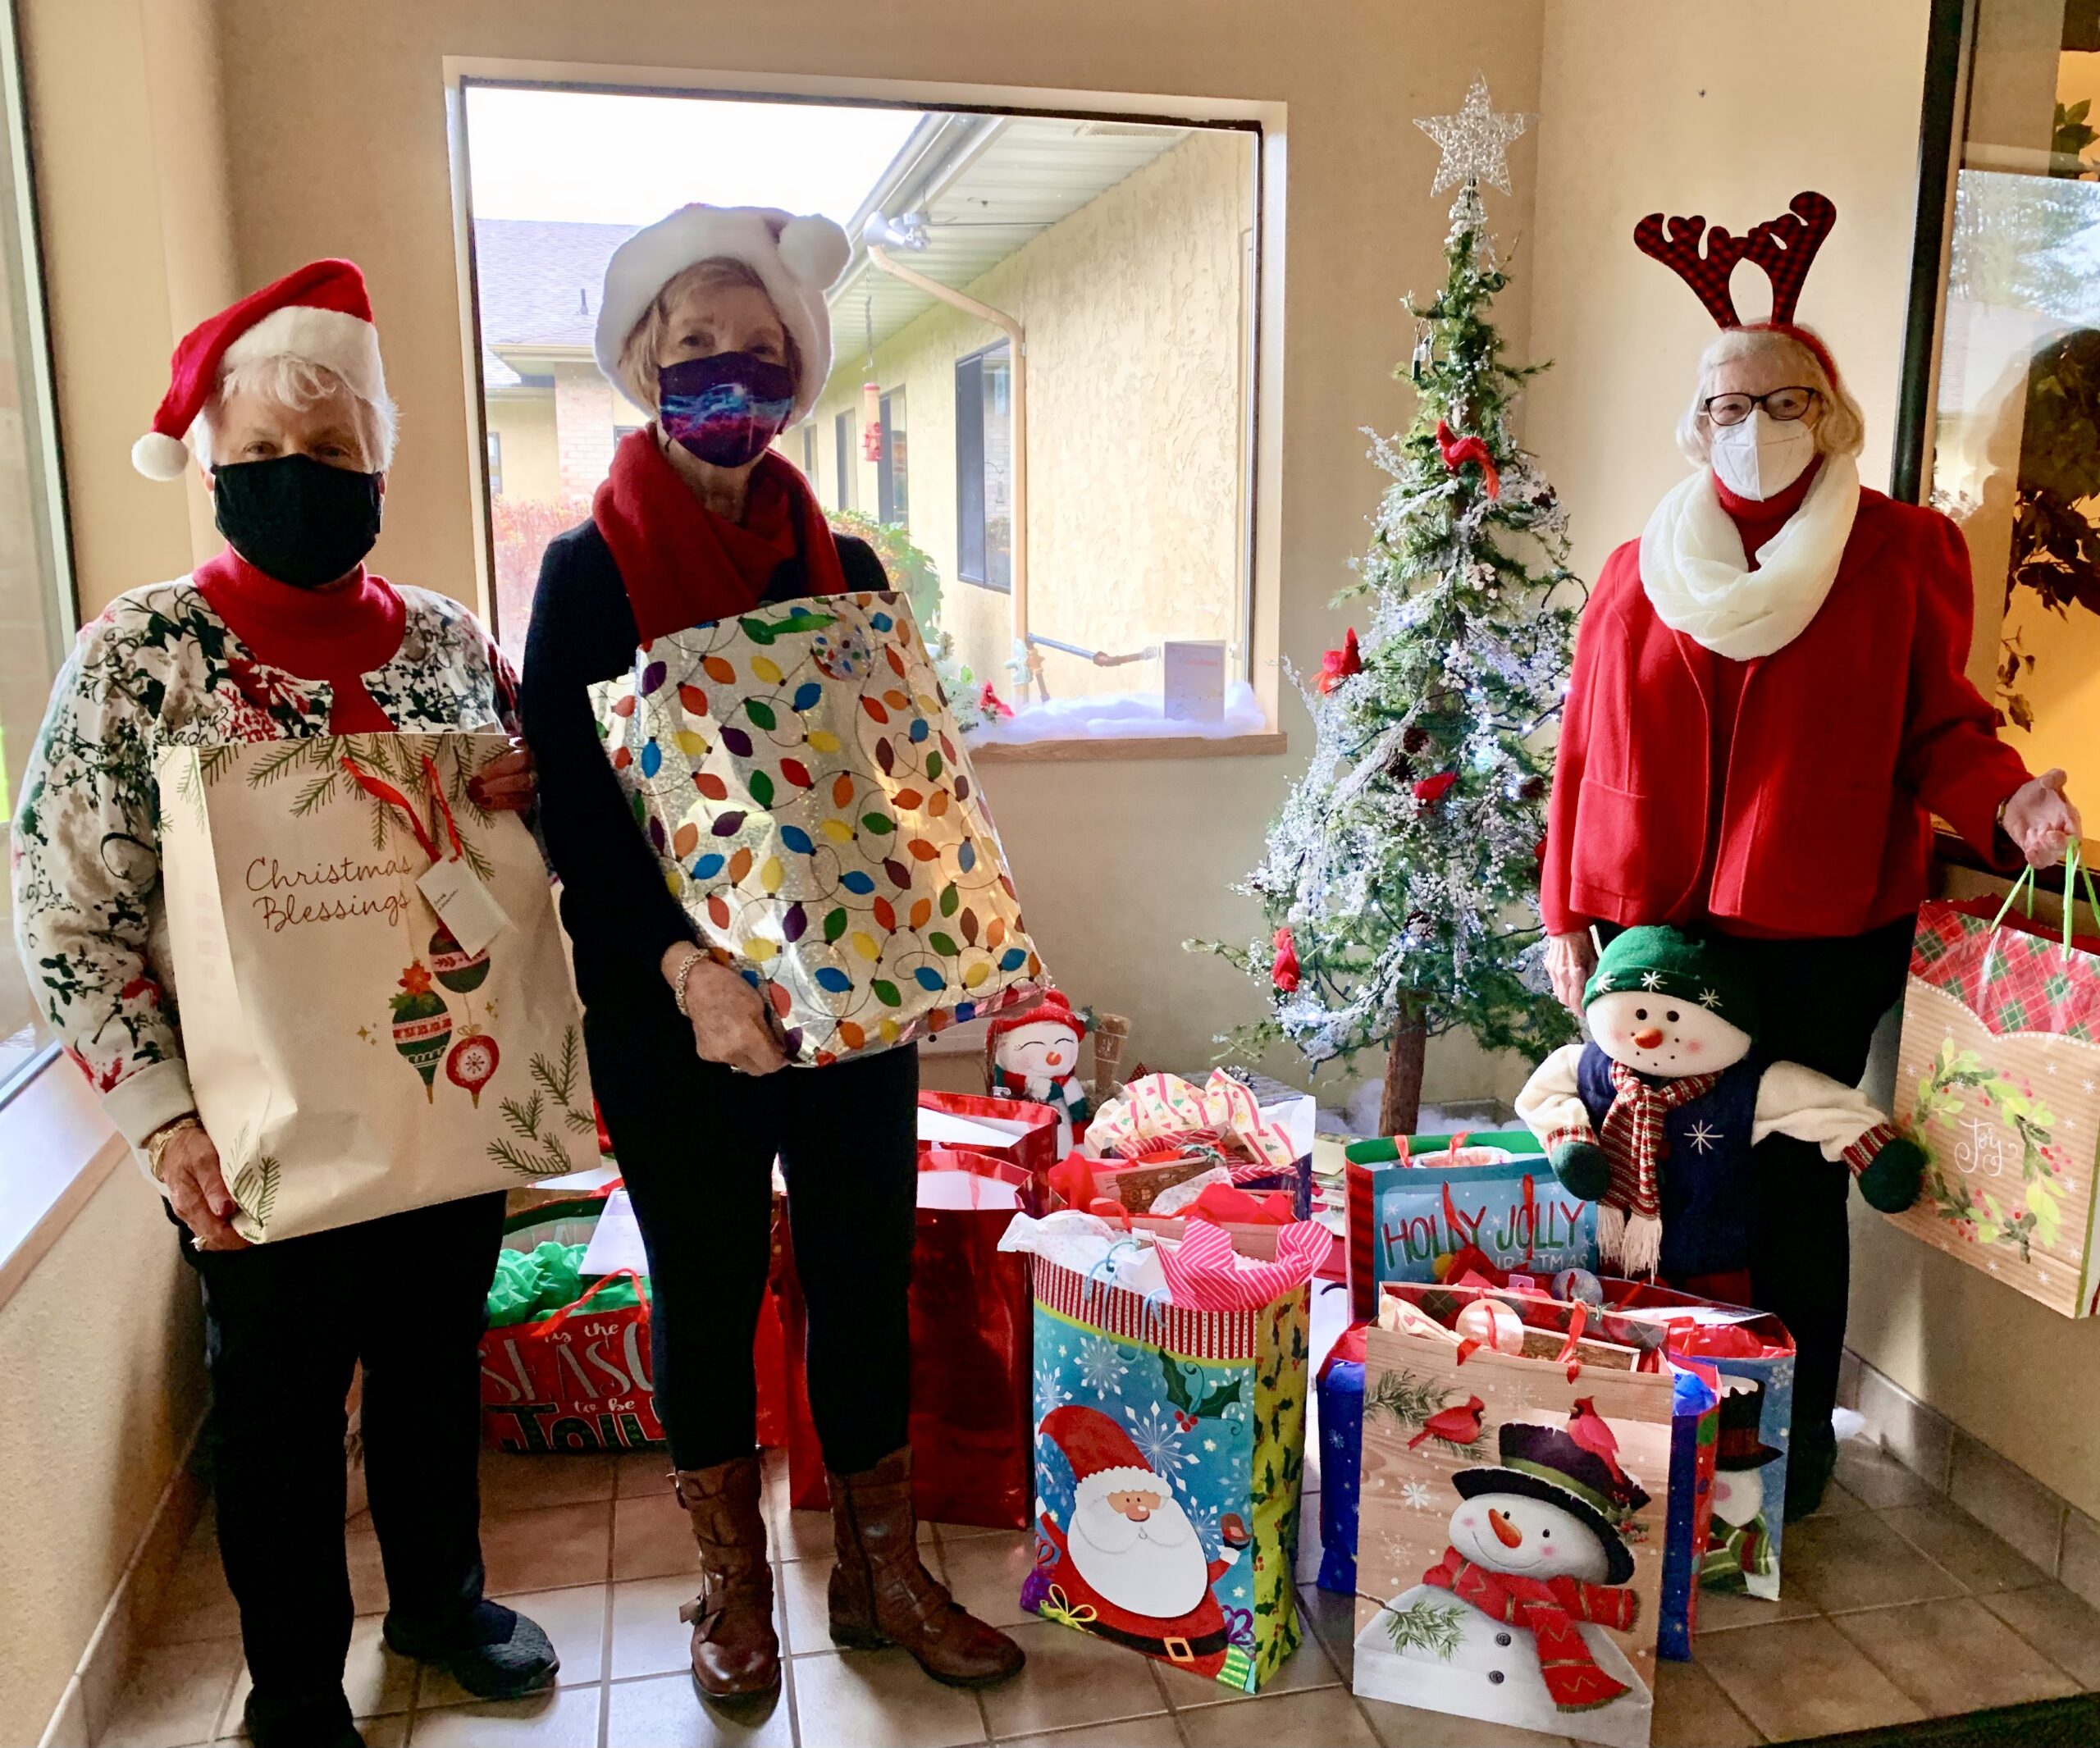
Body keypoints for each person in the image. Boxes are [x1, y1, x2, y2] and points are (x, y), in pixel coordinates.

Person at [11, 261, 555, 1748]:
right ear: (209, 468)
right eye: (258, 459)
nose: (296, 483)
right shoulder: (139, 658)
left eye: (328, 457)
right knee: (277, 1419)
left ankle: (441, 1603)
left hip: (445, 1099)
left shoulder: (449, 643)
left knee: (439, 1375)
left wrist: (531, 792)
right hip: (253, 1134)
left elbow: (542, 843)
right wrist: (161, 1120)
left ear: (379, 463)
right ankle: (299, 1680)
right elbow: (67, 909)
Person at [519, 205, 1025, 1703]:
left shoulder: (850, 567)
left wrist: (967, 933)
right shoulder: (585, 574)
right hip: (675, 1008)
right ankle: (731, 1587)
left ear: (795, 374)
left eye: (753, 353)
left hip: (851, 1001)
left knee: (863, 1268)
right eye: (692, 352)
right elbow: (574, 810)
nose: (724, 377)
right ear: (642, 367)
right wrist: (688, 974)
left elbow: (902, 787)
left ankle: (882, 1569)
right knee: (708, 1277)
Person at [1541, 191, 2083, 1518]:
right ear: (1696, 423)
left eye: (1782, 399)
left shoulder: (1901, 550)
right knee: (1642, 1174)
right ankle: (1637, 1435)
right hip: (1649, 933)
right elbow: (1580, 752)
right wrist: (1564, 908)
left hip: (1823, 935)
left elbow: (1940, 728)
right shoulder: (1635, 566)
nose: (1753, 422)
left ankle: (1780, 1460)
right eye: (1725, 404)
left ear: (1830, 413)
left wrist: (2007, 804)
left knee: (1789, 1180)